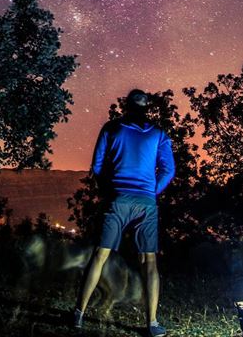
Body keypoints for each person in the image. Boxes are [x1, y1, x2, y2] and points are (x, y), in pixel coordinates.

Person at [73, 88, 176, 336]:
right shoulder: (158, 134)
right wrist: (152, 191)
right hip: (146, 203)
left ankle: (78, 315)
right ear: (147, 107)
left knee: (100, 255)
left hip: (118, 198)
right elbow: (168, 170)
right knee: (149, 261)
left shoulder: (111, 128)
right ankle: (152, 324)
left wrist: (110, 191)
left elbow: (97, 166)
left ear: (126, 106)